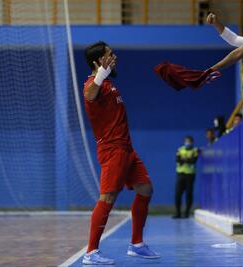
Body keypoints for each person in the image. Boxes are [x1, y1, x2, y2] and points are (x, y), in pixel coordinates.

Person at [82, 41, 159, 265]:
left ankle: (136, 245)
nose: (114, 57)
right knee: (107, 198)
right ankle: (91, 252)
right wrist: (99, 76)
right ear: (99, 62)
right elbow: (89, 95)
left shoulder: (110, 85)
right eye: (109, 55)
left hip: (127, 149)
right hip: (112, 150)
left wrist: (104, 76)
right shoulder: (93, 84)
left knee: (145, 189)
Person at [174, 136, 199, 218]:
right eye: (186, 141)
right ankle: (178, 213)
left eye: (189, 141)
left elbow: (194, 161)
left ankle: (187, 212)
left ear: (192, 142)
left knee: (189, 194)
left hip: (190, 175)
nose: (188, 143)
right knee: (178, 194)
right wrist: (188, 159)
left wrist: (184, 159)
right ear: (184, 142)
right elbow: (178, 160)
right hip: (180, 174)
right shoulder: (180, 149)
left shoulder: (195, 150)